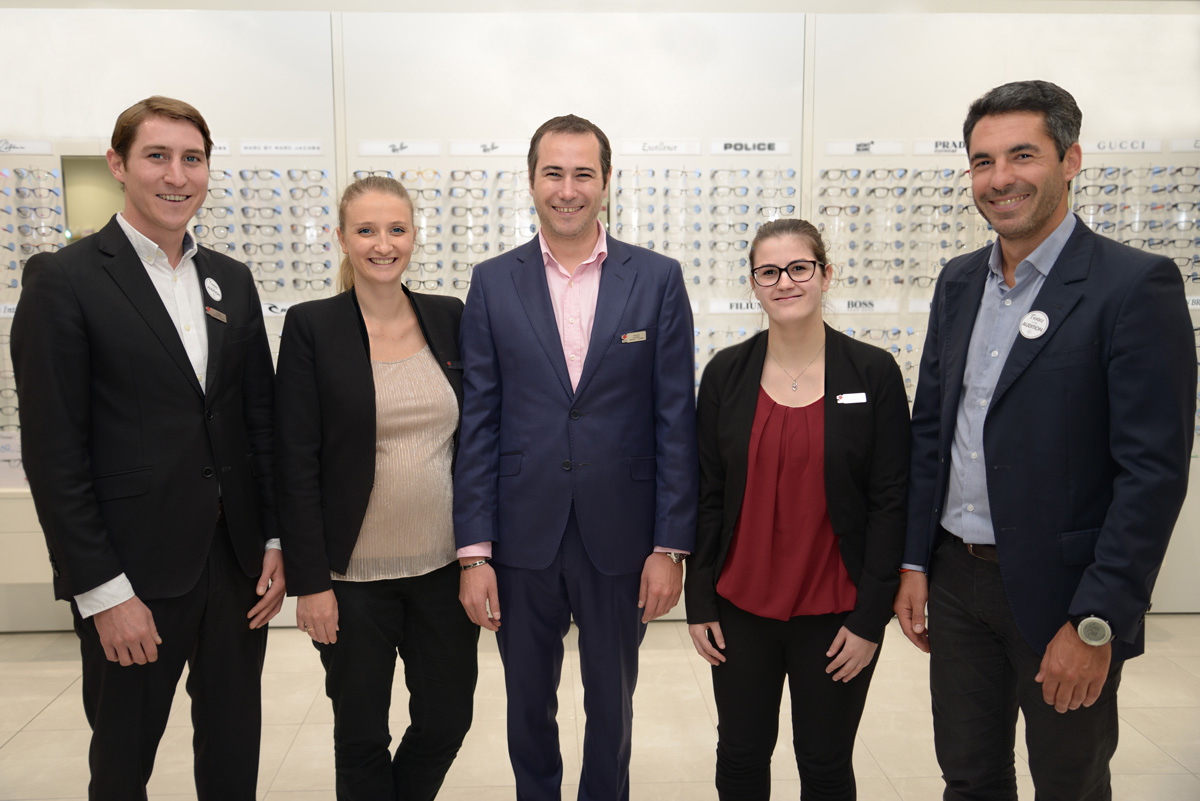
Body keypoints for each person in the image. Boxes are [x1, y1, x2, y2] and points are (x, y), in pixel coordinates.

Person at [894, 80, 1195, 800]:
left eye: (1022, 155)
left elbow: (1151, 474)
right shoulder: (958, 282)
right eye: (983, 161)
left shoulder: (1133, 286)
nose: (1000, 178)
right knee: (969, 776)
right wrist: (914, 561)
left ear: (1071, 159)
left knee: (1069, 783)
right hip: (958, 581)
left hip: (1066, 593)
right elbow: (932, 429)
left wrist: (1096, 622)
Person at [10, 96, 284, 801]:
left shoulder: (230, 278)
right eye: (157, 156)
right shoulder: (65, 281)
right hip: (132, 574)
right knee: (123, 763)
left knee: (234, 751)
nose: (176, 175)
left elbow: (256, 420)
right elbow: (54, 455)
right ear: (118, 164)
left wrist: (273, 539)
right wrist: (103, 593)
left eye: (192, 159)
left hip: (235, 567)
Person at [453, 114, 698, 801]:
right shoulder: (493, 282)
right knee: (527, 705)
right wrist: (473, 554)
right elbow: (479, 421)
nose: (568, 190)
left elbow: (675, 419)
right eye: (553, 173)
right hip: (520, 534)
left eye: (583, 174)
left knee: (611, 705)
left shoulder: (656, 278)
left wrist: (670, 546)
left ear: (607, 181)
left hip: (621, 534)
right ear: (532, 181)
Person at [685, 219, 910, 800]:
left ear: (825, 275)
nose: (784, 281)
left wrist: (870, 620)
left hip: (836, 613)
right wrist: (699, 600)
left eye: (799, 268)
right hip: (740, 608)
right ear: (754, 284)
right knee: (740, 755)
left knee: (825, 762)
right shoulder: (725, 374)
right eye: (769, 272)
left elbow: (891, 501)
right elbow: (708, 495)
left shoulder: (873, 372)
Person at [274, 175, 479, 800]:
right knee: (362, 735)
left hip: (442, 571)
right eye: (365, 231)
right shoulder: (312, 326)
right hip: (351, 580)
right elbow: (295, 462)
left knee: (447, 719)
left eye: (396, 229)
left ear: (414, 235)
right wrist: (311, 583)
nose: (382, 244)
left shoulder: (448, 316)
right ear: (342, 238)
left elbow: (475, 443)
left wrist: (480, 557)